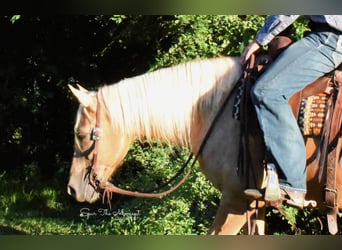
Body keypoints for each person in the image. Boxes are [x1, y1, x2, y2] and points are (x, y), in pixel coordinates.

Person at [241, 15, 342, 208]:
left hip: (330, 39)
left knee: (267, 91)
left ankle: (292, 183)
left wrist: (260, 39)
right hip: (328, 37)